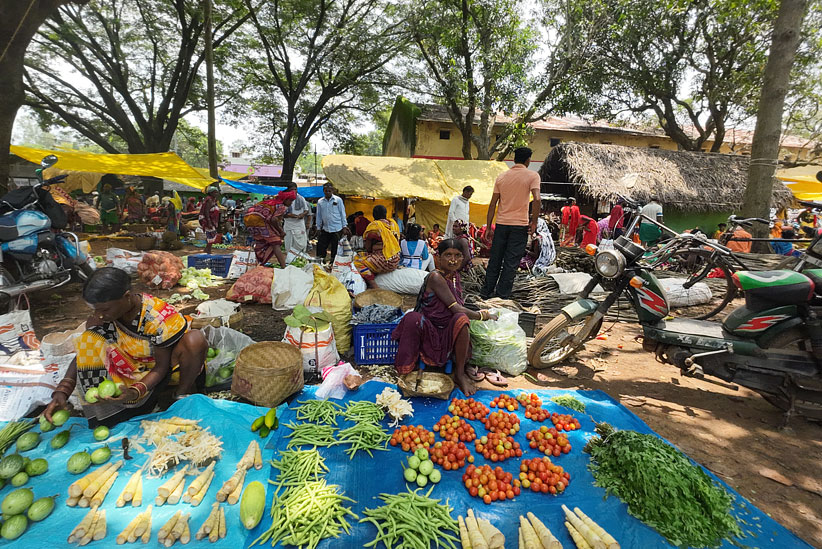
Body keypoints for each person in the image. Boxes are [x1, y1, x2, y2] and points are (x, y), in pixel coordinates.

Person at [43, 268, 208, 427]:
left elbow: (161, 367)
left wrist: (135, 391)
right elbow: (85, 351)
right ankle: (111, 412)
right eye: (95, 309)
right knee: (90, 334)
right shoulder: (104, 318)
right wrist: (62, 390)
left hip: (162, 371)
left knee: (195, 339)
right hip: (129, 368)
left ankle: (181, 395)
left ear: (126, 297)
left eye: (105, 309)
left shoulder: (157, 318)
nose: (99, 315)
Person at [392, 239, 497, 396]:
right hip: (428, 329)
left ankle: (459, 374)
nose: (453, 260)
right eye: (448, 255)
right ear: (438, 258)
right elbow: (455, 308)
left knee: (461, 320)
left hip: (447, 329)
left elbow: (457, 311)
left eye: (457, 255)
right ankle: (406, 370)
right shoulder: (436, 277)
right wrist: (484, 315)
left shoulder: (454, 277)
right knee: (413, 317)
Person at [480, 147, 540, 299]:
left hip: (501, 224)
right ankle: (501, 296)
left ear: (514, 160)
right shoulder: (532, 175)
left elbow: (493, 203)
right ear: (528, 160)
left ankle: (486, 293)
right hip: (519, 226)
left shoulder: (501, 177)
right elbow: (537, 199)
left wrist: (488, 226)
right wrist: (534, 223)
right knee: (511, 263)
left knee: (495, 259)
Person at [354, 205, 401, 288]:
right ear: (386, 214)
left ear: (374, 214)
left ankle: (374, 285)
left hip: (384, 261)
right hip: (396, 259)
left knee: (357, 261)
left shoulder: (374, 226)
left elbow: (368, 248)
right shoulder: (393, 224)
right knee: (361, 255)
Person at [245, 190, 296, 268]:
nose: (291, 203)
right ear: (285, 199)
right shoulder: (281, 206)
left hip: (250, 221)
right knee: (276, 242)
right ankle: (283, 267)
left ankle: (258, 263)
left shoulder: (271, 202)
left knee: (261, 242)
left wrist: (278, 230)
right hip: (261, 222)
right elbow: (274, 220)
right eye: (290, 200)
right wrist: (281, 232)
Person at [315, 183, 347, 262]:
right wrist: (318, 227)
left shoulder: (338, 200)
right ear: (323, 191)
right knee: (321, 246)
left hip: (337, 228)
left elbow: (342, 213)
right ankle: (321, 261)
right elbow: (318, 215)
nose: (328, 192)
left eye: (329, 191)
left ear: (332, 191)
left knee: (335, 247)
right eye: (326, 191)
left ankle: (334, 262)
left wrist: (344, 226)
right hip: (326, 228)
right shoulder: (320, 202)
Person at [283, 183, 309, 254]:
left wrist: (302, 215)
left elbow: (306, 210)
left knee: (301, 245)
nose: (294, 191)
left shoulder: (301, 198)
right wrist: (289, 215)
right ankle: (290, 261)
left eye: (295, 189)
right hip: (289, 225)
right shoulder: (285, 199)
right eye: (292, 190)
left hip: (299, 225)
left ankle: (300, 260)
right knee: (289, 245)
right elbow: (281, 213)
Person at [198, 185, 221, 254]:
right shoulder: (209, 200)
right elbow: (206, 212)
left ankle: (208, 249)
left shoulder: (213, 200)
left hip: (211, 220)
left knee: (212, 234)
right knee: (211, 234)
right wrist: (209, 222)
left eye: (217, 192)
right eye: (215, 192)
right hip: (207, 220)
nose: (216, 194)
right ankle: (208, 250)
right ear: (211, 193)